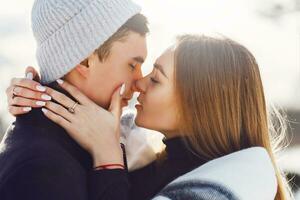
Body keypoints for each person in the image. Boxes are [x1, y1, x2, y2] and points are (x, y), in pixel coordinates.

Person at [5, 35, 293, 200]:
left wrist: (108, 158)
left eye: (156, 79)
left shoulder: (215, 191)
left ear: (199, 104)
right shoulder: (150, 160)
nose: (138, 83)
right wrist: (41, 92)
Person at [0, 0, 149, 199]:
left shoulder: (89, 140)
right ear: (84, 61)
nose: (140, 81)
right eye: (132, 66)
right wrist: (109, 164)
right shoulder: (42, 167)